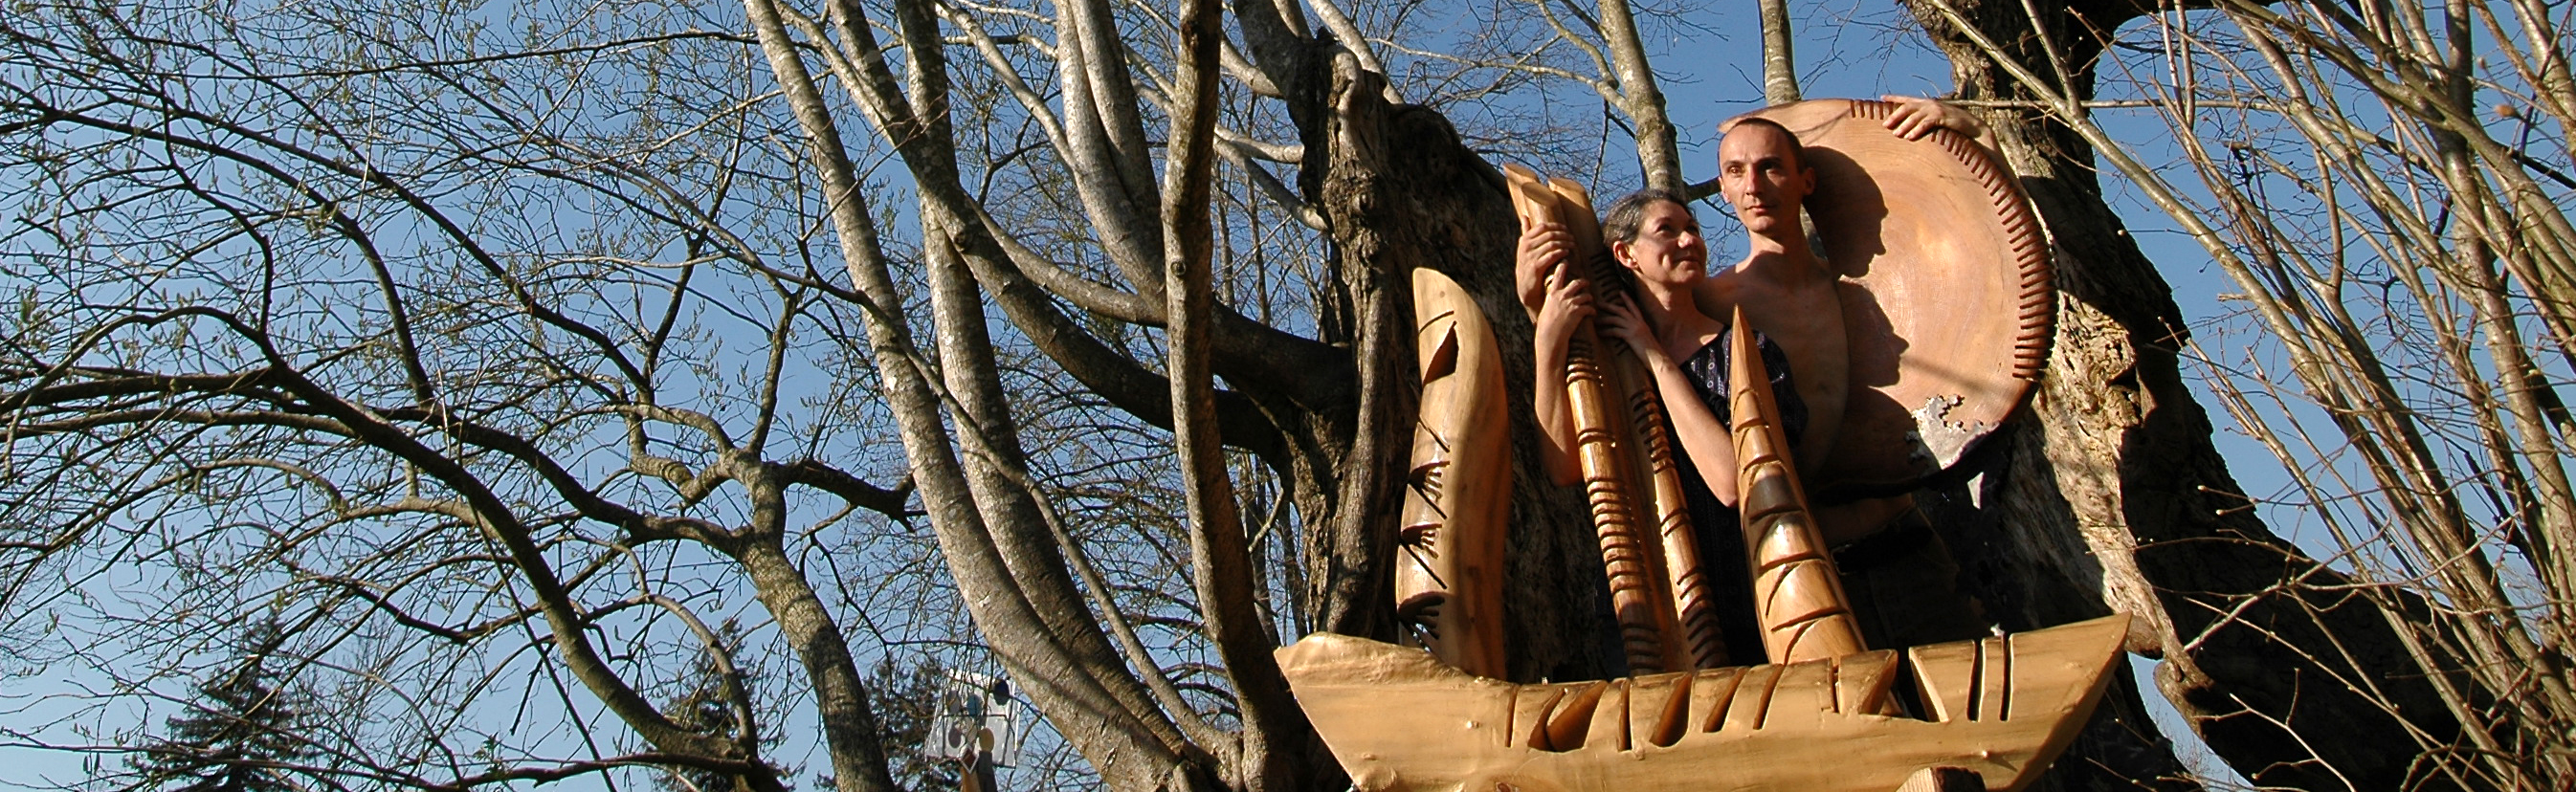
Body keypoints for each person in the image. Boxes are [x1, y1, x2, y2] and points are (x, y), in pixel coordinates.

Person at [1518, 96, 1997, 660]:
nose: (1754, 185)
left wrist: (1971, 129)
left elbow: (1989, 237)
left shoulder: (1866, 289)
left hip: (1903, 538)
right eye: (1735, 171)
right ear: (1722, 188)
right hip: (1792, 567)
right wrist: (1534, 299)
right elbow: (1618, 320)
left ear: (1805, 180)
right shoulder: (1716, 300)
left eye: (1770, 166)